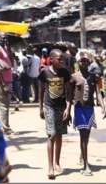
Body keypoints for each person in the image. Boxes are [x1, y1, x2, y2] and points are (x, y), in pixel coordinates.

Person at [70, 49, 106, 176]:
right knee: (83, 135)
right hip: (79, 109)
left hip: (89, 109)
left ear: (89, 61)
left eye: (86, 60)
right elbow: (69, 96)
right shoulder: (74, 77)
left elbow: (98, 93)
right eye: (81, 61)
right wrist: (67, 110)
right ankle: (85, 165)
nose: (84, 63)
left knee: (87, 134)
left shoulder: (93, 76)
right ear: (77, 62)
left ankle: (82, 157)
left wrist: (103, 106)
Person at [38, 49, 72, 179]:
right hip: (49, 106)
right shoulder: (44, 72)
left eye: (63, 59)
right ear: (51, 59)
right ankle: (50, 166)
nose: (62, 61)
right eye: (59, 59)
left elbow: (69, 92)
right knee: (51, 135)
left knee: (59, 135)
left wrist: (68, 109)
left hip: (61, 107)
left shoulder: (65, 72)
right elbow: (41, 91)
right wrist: (40, 108)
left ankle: (57, 162)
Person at [0, 31, 18, 135]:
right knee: (3, 105)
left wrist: (9, 49)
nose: (5, 40)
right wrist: (2, 84)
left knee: (0, 105)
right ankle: (7, 129)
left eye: (7, 38)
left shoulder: (5, 47)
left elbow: (11, 62)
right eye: (3, 38)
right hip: (0, 81)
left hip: (7, 79)